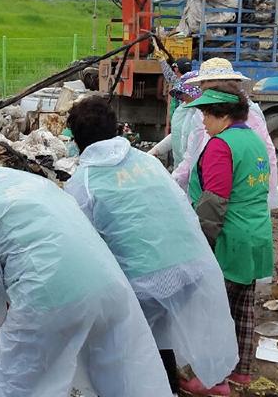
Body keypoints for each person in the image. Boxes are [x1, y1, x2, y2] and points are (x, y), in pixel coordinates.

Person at [0, 130, 169, 396]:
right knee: (112, 379)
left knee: (9, 384)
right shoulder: (25, 180)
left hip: (49, 299)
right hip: (109, 285)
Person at [65, 97, 238, 395]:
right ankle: (169, 385)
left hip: (147, 280)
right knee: (159, 334)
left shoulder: (84, 181)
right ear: (116, 128)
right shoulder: (146, 161)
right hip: (191, 265)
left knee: (129, 348)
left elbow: (81, 247)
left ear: (78, 141)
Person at [182, 85, 274, 390]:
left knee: (213, 311)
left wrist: (202, 242)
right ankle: (240, 371)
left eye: (207, 114)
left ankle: (214, 379)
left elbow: (214, 200)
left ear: (223, 115)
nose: (204, 121)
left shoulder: (221, 146)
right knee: (242, 307)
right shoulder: (254, 140)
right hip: (256, 234)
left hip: (229, 237)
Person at [173, 57, 278, 210]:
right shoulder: (200, 113)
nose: (205, 92)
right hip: (204, 190)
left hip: (234, 201)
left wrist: (267, 201)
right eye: (203, 87)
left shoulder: (249, 119)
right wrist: (173, 182)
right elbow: (192, 154)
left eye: (209, 86)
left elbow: (265, 157)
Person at [149, 70, 202, 169]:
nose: (183, 96)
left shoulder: (203, 113)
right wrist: (155, 150)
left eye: (186, 93)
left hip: (195, 170)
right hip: (180, 168)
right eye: (182, 93)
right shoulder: (182, 109)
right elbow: (177, 134)